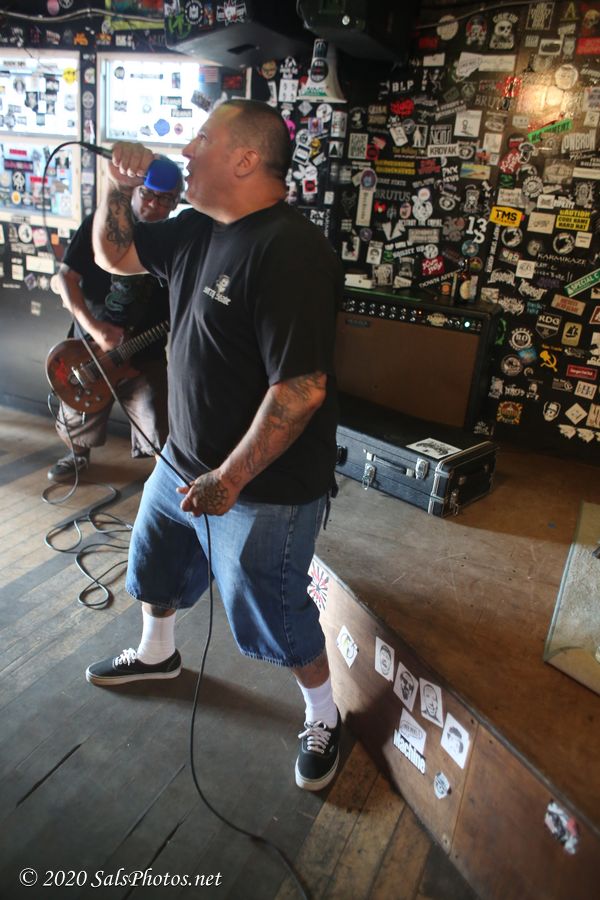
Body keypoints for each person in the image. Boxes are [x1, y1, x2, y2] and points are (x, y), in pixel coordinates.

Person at [87, 99, 343, 792]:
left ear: (245, 158)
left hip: (263, 487)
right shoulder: (198, 227)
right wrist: (116, 186)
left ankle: (323, 713)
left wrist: (229, 479)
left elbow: (301, 389)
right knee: (154, 561)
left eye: (202, 138)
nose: (187, 150)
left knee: (272, 608)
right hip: (183, 458)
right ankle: (157, 653)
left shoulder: (291, 252)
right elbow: (114, 253)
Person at [47, 158, 183, 482]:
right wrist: (96, 330)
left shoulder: (176, 239)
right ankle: (77, 456)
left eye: (166, 199)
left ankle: (164, 480)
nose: (154, 204)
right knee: (78, 412)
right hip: (90, 346)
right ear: (133, 190)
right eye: (148, 193)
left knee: (158, 422)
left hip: (144, 352)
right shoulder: (100, 224)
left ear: (177, 201)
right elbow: (65, 278)